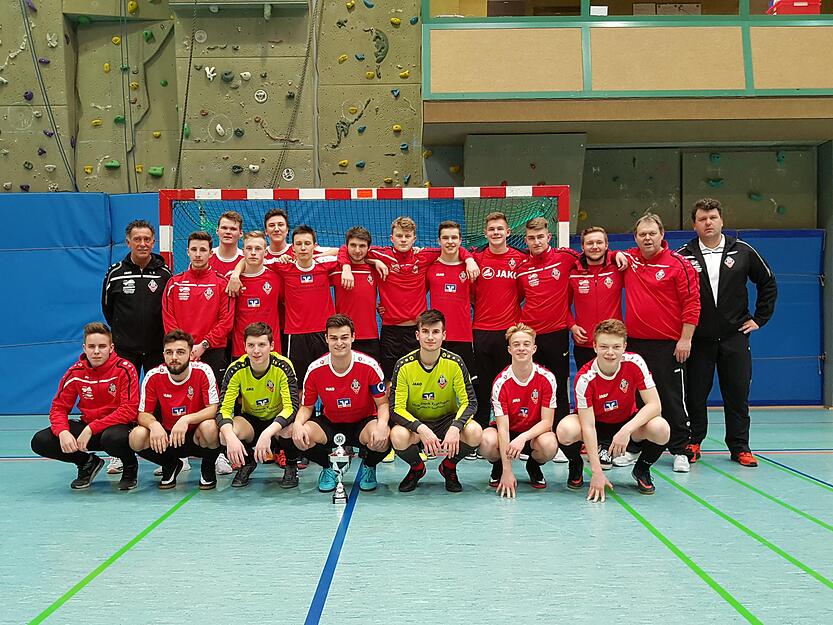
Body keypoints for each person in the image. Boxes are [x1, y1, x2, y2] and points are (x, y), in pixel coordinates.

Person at [678, 198, 777, 467]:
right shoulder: (683, 255)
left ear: (722, 220)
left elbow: (768, 282)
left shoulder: (743, 251)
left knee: (737, 394)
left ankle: (740, 446)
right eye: (702, 219)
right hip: (699, 341)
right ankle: (693, 441)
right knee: (695, 395)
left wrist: (760, 319)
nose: (708, 223)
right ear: (694, 224)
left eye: (712, 217)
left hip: (735, 338)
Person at [339, 216, 479, 381]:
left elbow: (452, 248)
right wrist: (359, 265)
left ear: (414, 238)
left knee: (417, 378)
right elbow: (345, 249)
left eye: (407, 236)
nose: (403, 239)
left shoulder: (425, 256)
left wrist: (469, 259)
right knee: (390, 379)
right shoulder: (381, 254)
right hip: (390, 331)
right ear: (392, 238)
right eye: (399, 236)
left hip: (416, 331)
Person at [617, 213, 700, 473]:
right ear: (635, 238)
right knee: (636, 398)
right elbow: (610, 255)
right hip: (635, 344)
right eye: (642, 234)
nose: (647, 238)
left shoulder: (679, 264)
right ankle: (635, 446)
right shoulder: (629, 259)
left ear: (662, 235)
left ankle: (680, 449)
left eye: (652, 233)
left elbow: (692, 303)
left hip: (668, 344)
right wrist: (616, 255)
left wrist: (685, 339)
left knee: (671, 398)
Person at [557, 319, 668, 498]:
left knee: (661, 428)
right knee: (565, 430)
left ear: (624, 346)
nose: (610, 352)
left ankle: (642, 469)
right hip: (596, 424)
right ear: (594, 346)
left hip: (626, 423)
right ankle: (576, 464)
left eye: (616, 347)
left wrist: (626, 430)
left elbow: (655, 405)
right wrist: (596, 472)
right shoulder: (585, 377)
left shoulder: (635, 362)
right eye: (604, 346)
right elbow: (588, 426)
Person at [31, 323, 139, 490]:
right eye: (91, 346)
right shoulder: (75, 373)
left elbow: (129, 410)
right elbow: (58, 407)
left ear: (111, 348)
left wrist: (91, 428)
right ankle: (87, 463)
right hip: (89, 429)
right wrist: (63, 432)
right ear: (84, 348)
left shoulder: (124, 369)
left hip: (117, 428)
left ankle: (130, 467)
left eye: (102, 346)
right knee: (41, 441)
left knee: (113, 438)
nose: (96, 351)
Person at [101, 220, 171, 475]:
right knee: (123, 402)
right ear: (128, 241)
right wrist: (123, 336)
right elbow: (108, 309)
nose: (143, 243)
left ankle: (169, 451)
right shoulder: (115, 273)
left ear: (153, 242)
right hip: (125, 349)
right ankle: (120, 453)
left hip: (156, 348)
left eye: (147, 239)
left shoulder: (164, 274)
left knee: (162, 400)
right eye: (137, 239)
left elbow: (170, 309)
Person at [292, 314, 391, 493]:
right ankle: (328, 468)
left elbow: (383, 404)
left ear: (353, 337)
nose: (339, 343)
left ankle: (369, 466)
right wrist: (298, 425)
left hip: (363, 423)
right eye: (334, 338)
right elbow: (306, 407)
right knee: (301, 435)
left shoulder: (369, 365)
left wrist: (382, 425)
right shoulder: (315, 369)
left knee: (384, 437)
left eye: (344, 337)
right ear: (326, 339)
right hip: (331, 423)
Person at [389, 310, 482, 493]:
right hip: (416, 422)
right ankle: (417, 468)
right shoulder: (403, 365)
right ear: (417, 335)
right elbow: (396, 408)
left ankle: (449, 466)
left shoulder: (455, 362)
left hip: (446, 420)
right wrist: (420, 428)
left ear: (444, 335)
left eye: (436, 332)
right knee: (397, 436)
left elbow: (470, 402)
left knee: (475, 432)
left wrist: (456, 426)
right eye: (425, 332)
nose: (430, 337)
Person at [129, 330, 222, 489]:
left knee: (210, 427)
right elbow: (143, 414)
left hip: (196, 437)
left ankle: (207, 469)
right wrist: (154, 425)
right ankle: (170, 464)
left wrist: (186, 419)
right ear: (163, 354)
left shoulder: (203, 371)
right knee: (137, 437)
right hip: (168, 439)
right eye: (169, 352)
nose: (174, 357)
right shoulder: (153, 375)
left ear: (191, 354)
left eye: (180, 352)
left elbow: (213, 409)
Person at [217, 322, 300, 488]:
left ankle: (291, 466)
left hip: (278, 422)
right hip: (251, 421)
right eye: (251, 345)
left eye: (262, 345)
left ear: (271, 346)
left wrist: (268, 433)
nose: (256, 351)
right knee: (224, 435)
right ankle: (247, 462)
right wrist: (230, 437)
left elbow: (291, 407)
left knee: (292, 429)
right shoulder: (236, 369)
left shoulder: (283, 366)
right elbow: (223, 410)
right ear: (244, 347)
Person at [481, 324, 558, 498]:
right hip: (508, 431)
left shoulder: (547, 378)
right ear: (509, 350)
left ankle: (533, 465)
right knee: (486, 441)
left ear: (534, 348)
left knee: (549, 444)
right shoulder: (501, 382)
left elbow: (547, 422)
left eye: (526, 344)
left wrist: (523, 438)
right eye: (516, 344)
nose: (521, 348)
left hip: (533, 434)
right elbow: (502, 428)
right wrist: (507, 471)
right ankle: (499, 465)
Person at [516, 217, 580, 425]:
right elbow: (517, 298)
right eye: (531, 238)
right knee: (530, 384)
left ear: (549, 237)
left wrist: (617, 255)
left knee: (558, 384)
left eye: (540, 237)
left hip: (556, 334)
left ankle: (560, 431)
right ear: (526, 240)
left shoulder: (566, 258)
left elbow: (593, 256)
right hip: (530, 336)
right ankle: (531, 430)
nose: (536, 242)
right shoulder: (521, 268)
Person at [470, 212, 527, 430]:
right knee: (483, 384)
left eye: (500, 229)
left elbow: (522, 292)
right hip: (482, 330)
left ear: (508, 232)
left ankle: (513, 429)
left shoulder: (519, 259)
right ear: (485, 233)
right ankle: (483, 429)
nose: (496, 233)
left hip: (509, 331)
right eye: (491, 229)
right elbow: (472, 294)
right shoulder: (477, 259)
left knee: (510, 382)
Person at [162, 231, 233, 383]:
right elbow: (168, 319)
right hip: (181, 352)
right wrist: (184, 346)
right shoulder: (174, 283)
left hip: (213, 350)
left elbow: (226, 322)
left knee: (214, 395)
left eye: (203, 250)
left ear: (211, 253)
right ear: (187, 251)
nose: (198, 254)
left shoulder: (221, 284)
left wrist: (204, 345)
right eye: (194, 249)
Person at [568, 226, 624, 370]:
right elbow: (563, 305)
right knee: (586, 383)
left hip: (613, 343)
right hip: (585, 343)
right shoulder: (573, 272)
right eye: (589, 243)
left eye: (599, 242)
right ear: (582, 247)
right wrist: (572, 326)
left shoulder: (619, 268)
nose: (594, 247)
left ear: (606, 245)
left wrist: (616, 254)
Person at [427, 220, 477, 377]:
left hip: (463, 337)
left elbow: (477, 298)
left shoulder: (471, 268)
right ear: (439, 241)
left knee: (466, 385)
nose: (450, 242)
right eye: (445, 238)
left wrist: (469, 259)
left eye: (454, 237)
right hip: (436, 338)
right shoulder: (430, 267)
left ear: (460, 241)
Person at [329, 227, 382, 362]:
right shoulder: (336, 269)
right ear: (346, 246)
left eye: (362, 246)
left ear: (368, 248)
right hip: (342, 337)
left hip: (370, 336)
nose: (357, 250)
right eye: (353, 245)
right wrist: (346, 267)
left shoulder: (376, 269)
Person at [229, 231, 281, 358]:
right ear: (243, 251)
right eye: (249, 248)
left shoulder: (277, 277)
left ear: (266, 252)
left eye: (258, 249)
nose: (253, 252)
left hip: (271, 351)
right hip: (241, 351)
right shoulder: (232, 280)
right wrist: (235, 274)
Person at [209, 211, 244, 276]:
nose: (228, 232)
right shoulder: (206, 257)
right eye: (224, 228)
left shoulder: (246, 259)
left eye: (233, 229)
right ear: (217, 231)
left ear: (241, 233)